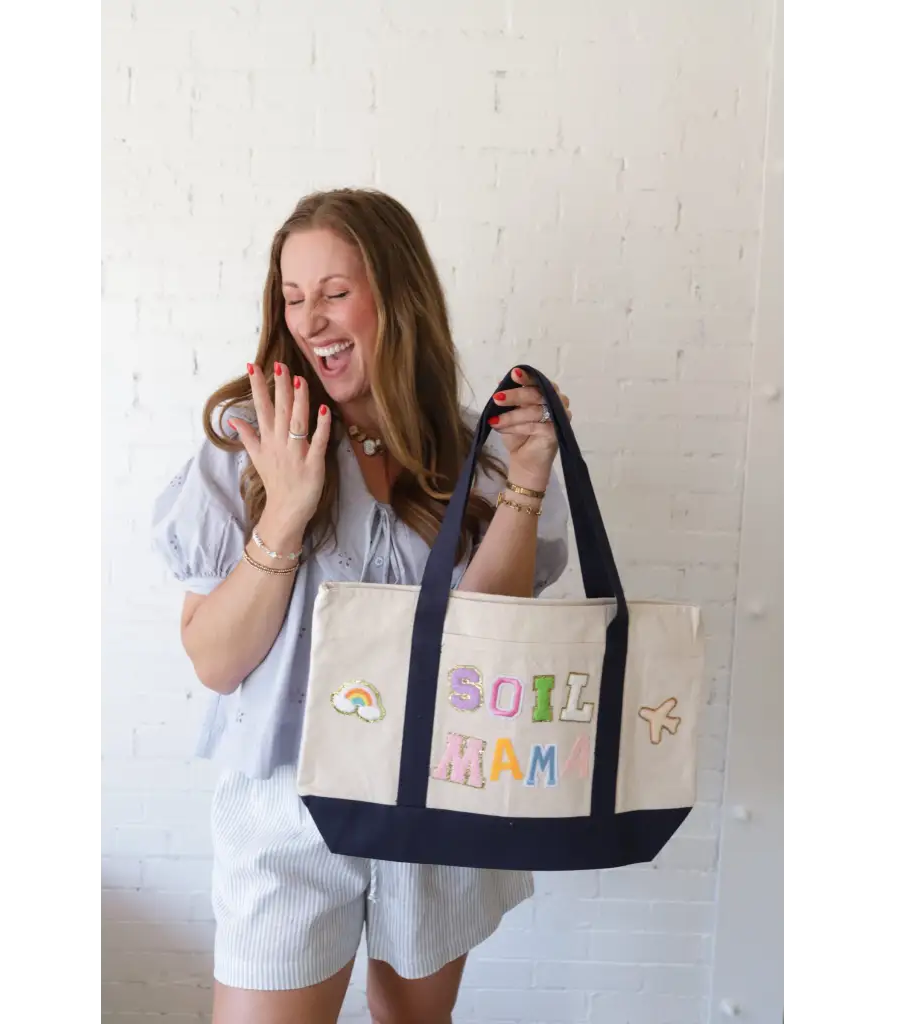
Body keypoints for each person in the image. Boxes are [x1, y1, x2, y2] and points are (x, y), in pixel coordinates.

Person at [152, 188, 574, 1024]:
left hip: (439, 795)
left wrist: (527, 478)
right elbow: (214, 659)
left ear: (399, 295)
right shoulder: (246, 440)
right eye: (294, 296)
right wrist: (287, 505)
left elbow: (485, 644)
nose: (310, 320)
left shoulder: (472, 452)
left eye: (335, 292)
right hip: (287, 805)